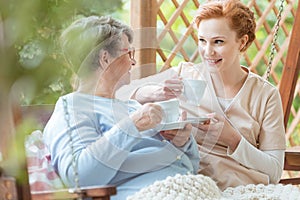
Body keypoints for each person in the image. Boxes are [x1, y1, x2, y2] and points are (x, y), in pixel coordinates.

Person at [118, 0, 286, 190]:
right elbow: (119, 93)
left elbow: (275, 170)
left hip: (241, 190)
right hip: (187, 185)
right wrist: (154, 92)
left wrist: (233, 139)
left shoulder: (265, 95)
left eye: (218, 41)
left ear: (242, 41)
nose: (208, 51)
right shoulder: (185, 74)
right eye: (202, 41)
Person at [43, 16, 200, 199]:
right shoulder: (72, 108)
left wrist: (183, 142)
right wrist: (132, 126)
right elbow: (79, 178)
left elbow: (190, 164)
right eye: (129, 54)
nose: (133, 62)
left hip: (191, 187)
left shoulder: (132, 106)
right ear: (105, 58)